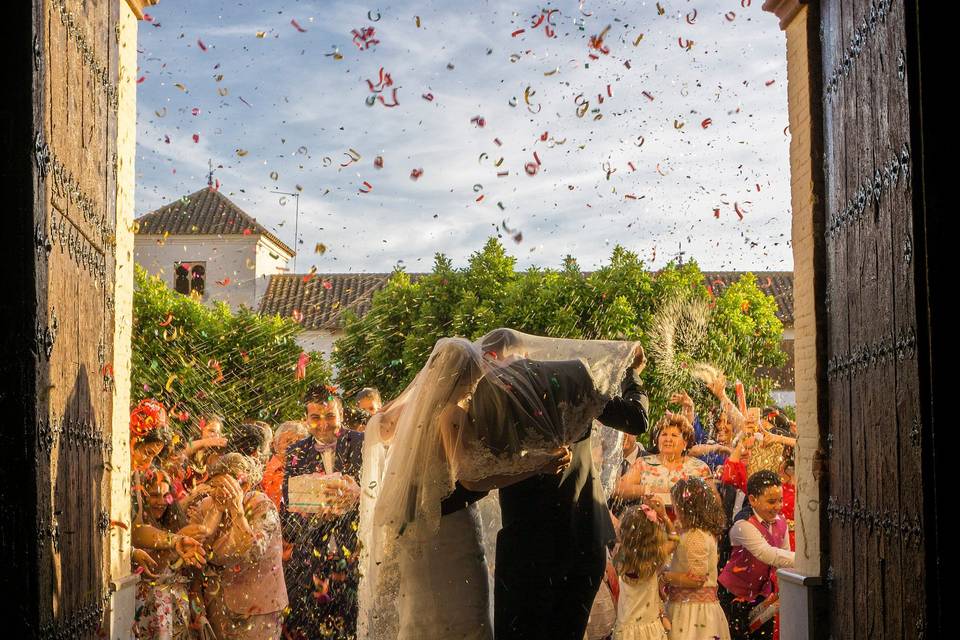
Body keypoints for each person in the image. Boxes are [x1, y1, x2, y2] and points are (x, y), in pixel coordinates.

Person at [359, 329, 651, 640]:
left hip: (525, 548)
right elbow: (636, 420)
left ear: (490, 358)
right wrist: (632, 374)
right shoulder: (573, 375)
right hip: (583, 537)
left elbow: (470, 478)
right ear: (527, 351)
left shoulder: (485, 396)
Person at [283, 390, 363, 640]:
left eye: (330, 415)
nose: (323, 423)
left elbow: (384, 488)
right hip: (313, 560)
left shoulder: (363, 442)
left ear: (341, 413)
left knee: (356, 625)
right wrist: (313, 516)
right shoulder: (296, 451)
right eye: (315, 417)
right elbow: (288, 508)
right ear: (306, 418)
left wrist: (357, 494)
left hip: (358, 552)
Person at [195, 453, 288, 639]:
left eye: (227, 486)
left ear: (245, 485)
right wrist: (214, 513)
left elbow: (253, 550)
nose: (220, 492)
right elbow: (195, 550)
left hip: (259, 607)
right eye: (216, 486)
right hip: (216, 606)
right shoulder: (206, 506)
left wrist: (236, 509)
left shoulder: (262, 506)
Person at [718, 471, 794, 639]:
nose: (778, 506)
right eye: (771, 501)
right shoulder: (742, 525)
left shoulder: (781, 521)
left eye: (780, 500)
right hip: (733, 595)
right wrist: (805, 561)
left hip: (762, 596)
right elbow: (767, 554)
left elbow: (784, 557)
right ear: (752, 500)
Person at [663, 478, 730, 640]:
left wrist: (665, 576)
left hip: (692, 613)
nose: (674, 510)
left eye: (676, 506)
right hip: (689, 607)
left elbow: (697, 580)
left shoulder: (696, 536)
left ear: (686, 508)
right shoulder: (696, 532)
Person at [614, 414, 713, 516]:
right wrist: (648, 489)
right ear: (657, 439)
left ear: (685, 443)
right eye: (664, 434)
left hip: (686, 527)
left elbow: (713, 501)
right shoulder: (643, 463)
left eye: (674, 435)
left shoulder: (700, 467)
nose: (668, 439)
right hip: (648, 526)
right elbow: (618, 489)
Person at [611, 503, 674, 640]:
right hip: (651, 630)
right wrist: (665, 518)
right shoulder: (655, 559)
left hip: (626, 630)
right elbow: (675, 540)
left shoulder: (619, 558)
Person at [262, 421, 310, 509]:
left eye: (299, 442)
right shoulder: (262, 472)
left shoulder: (309, 471)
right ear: (275, 444)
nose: (295, 447)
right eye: (289, 442)